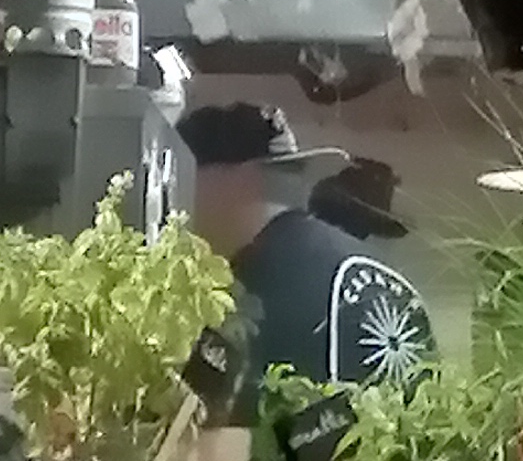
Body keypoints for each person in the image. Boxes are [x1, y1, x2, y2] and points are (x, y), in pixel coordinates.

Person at [178, 97, 433, 411]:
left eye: (183, 179)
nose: (178, 204)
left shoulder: (251, 286)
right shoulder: (364, 267)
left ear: (235, 180)